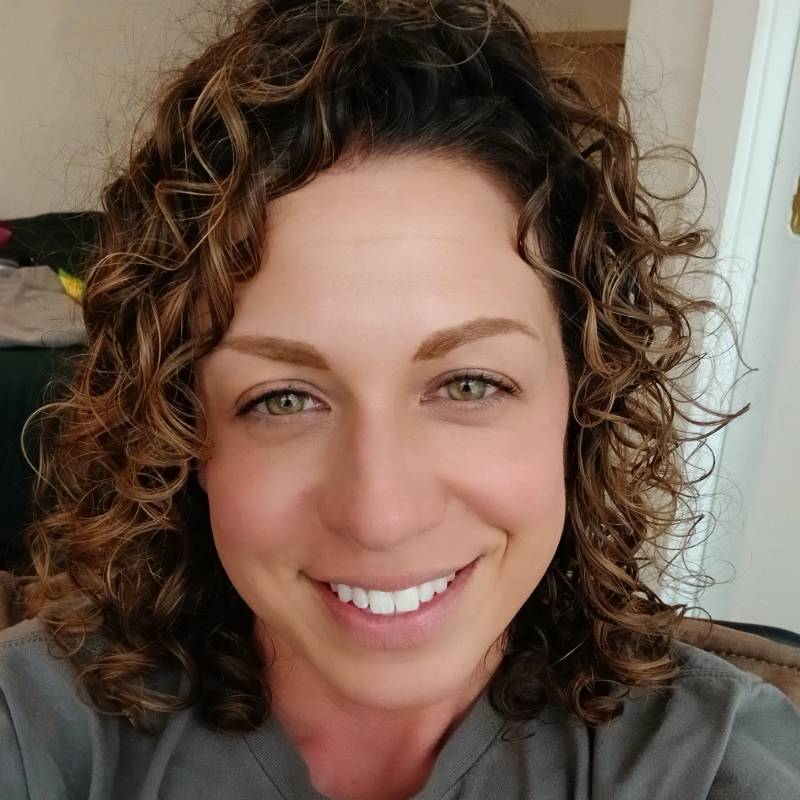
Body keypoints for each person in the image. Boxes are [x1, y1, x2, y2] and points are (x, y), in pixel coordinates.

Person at [1, 1, 798, 798]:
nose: (380, 516)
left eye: (469, 385)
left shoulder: (709, 763)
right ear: (182, 428)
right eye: (284, 399)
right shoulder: (38, 728)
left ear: (582, 402)